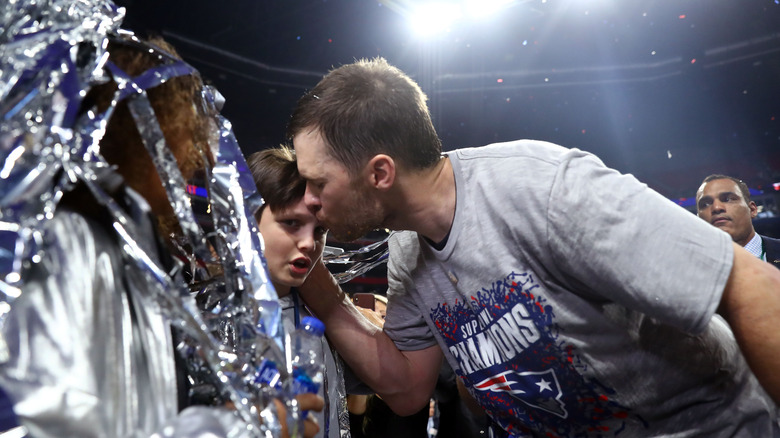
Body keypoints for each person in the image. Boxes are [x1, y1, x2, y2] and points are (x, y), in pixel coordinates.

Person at [286, 57, 780, 437]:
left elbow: (752, 285)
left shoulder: (542, 187)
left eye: (316, 182)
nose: (308, 200)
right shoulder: (406, 249)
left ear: (379, 173)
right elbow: (409, 389)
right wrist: (315, 282)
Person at [0, 30, 321, 437]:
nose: (198, 158)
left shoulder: (134, 259)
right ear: (134, 132)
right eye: (185, 133)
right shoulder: (60, 244)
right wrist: (236, 429)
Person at [247, 146, 351, 438]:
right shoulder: (203, 320)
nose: (309, 243)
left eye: (319, 231)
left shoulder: (326, 321)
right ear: (246, 222)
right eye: (291, 223)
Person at [696, 174, 780, 267]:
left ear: (752, 209)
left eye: (728, 199)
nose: (716, 207)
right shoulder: (690, 269)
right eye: (705, 204)